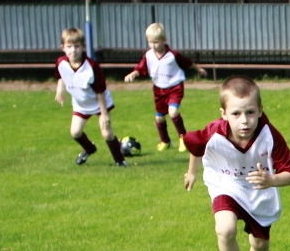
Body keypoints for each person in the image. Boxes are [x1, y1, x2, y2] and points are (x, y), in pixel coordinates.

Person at [182, 77, 290, 251]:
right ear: (223, 113)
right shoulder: (215, 131)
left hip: (259, 189)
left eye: (250, 112)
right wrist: (191, 173)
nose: (244, 121)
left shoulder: (269, 135)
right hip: (225, 183)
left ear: (260, 111)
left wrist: (271, 180)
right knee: (225, 229)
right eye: (236, 114)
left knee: (259, 243)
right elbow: (195, 145)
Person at [53, 28, 127, 167]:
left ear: (83, 47)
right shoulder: (60, 63)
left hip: (100, 104)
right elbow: (61, 76)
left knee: (107, 133)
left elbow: (100, 91)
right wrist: (60, 90)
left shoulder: (91, 67)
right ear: (62, 48)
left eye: (77, 46)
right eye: (69, 47)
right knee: (75, 132)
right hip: (81, 104)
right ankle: (89, 149)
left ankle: (120, 160)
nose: (73, 50)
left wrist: (104, 114)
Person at [124, 22, 194, 152]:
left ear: (164, 40)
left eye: (156, 42)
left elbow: (187, 63)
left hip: (174, 87)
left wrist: (199, 69)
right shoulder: (149, 55)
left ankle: (184, 139)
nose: (153, 45)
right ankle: (165, 141)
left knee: (173, 112)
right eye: (150, 42)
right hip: (158, 89)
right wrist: (134, 73)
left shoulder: (173, 55)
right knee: (159, 117)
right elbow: (141, 67)